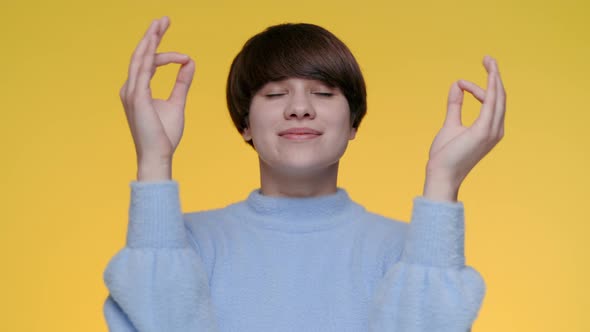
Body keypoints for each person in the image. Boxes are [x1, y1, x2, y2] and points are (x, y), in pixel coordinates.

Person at [103, 15, 505, 332]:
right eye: (275, 93)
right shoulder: (180, 244)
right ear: (244, 123)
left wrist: (443, 180)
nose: (299, 107)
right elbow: (153, 316)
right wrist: (154, 158)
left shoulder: (410, 253)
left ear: (353, 123)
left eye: (324, 92)